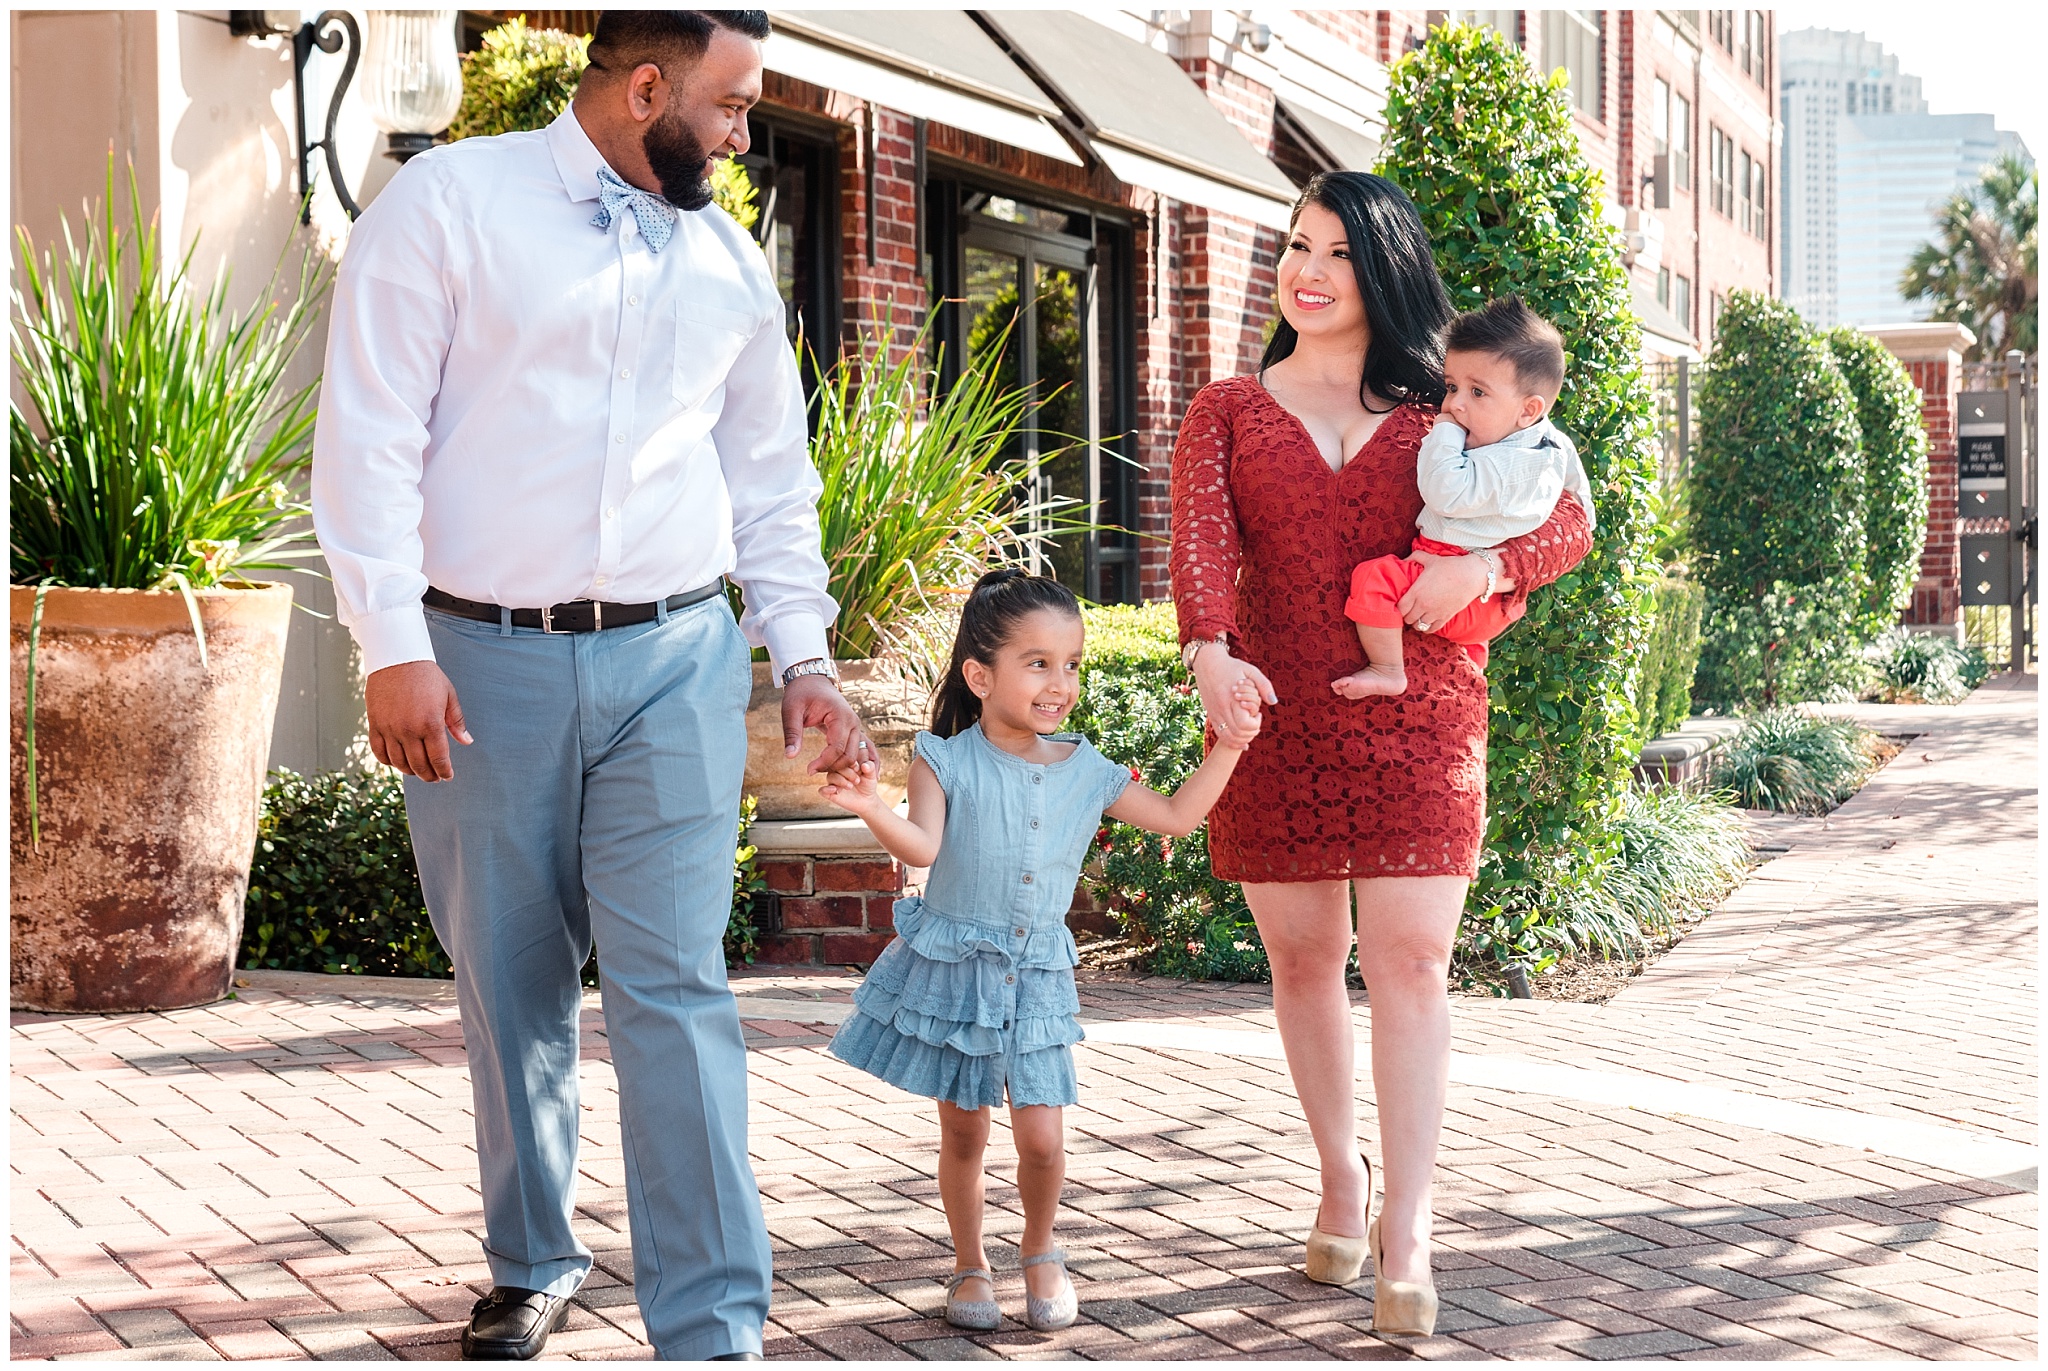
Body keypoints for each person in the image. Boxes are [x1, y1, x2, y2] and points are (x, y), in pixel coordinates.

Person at [310, 12, 862, 1361]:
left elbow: (770, 484)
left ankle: (713, 1316)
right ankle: (533, 1254)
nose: (742, 138)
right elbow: (369, 433)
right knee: (510, 976)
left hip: (673, 658)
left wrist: (804, 651)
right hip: (477, 660)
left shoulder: (729, 258)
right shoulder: (449, 204)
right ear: (645, 86)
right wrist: (391, 641)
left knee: (676, 983)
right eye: (729, 108)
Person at [1169, 172, 1593, 1337]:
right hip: (1275, 716)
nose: (1302, 272)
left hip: (1421, 712)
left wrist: (1488, 570)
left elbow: (1566, 518)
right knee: (1303, 963)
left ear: (1383, 265)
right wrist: (1206, 653)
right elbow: (1201, 552)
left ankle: (1408, 1224)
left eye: (1334, 253)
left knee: (1409, 963)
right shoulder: (1224, 410)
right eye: (1293, 248)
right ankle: (1340, 1178)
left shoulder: (1446, 403)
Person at [813, 569, 1260, 1333]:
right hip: (960, 974)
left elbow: (1180, 816)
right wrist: (866, 804)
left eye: (1073, 662)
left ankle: (1041, 1246)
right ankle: (968, 1263)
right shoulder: (942, 760)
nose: (1061, 682)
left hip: (1038, 981)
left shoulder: (1085, 769)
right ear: (980, 675)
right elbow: (922, 843)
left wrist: (1232, 744)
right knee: (964, 1131)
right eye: (1039, 662)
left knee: (1044, 1139)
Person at [1334, 296, 1595, 698]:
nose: (1454, 403)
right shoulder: (1551, 446)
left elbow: (1444, 490)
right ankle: (1472, 666)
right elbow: (1581, 504)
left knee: (1375, 579)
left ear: (1528, 410)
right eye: (1452, 386)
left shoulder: (1504, 461)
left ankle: (1387, 669)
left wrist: (1446, 431)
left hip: (1452, 572)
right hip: (1489, 603)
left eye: (1477, 393)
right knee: (1468, 665)